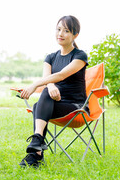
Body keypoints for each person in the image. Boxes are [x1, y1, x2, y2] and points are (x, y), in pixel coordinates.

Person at [19, 15, 88, 167]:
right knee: (45, 95)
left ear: (75, 35)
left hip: (76, 107)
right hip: (55, 104)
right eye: (58, 29)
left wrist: (34, 85)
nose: (60, 34)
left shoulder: (80, 56)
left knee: (38, 105)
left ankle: (36, 151)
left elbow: (61, 75)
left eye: (66, 30)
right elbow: (48, 77)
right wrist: (50, 86)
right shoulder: (50, 57)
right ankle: (37, 150)